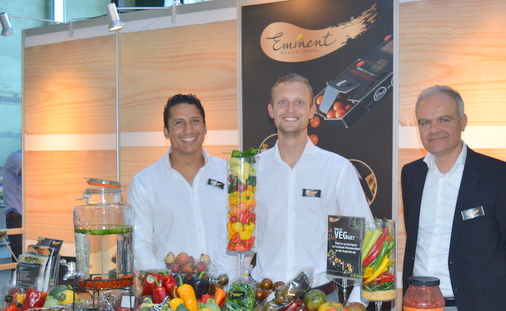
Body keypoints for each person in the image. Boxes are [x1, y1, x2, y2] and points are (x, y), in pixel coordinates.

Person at [401, 85, 506, 311]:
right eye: (425, 122)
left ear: (462, 122)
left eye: (444, 119)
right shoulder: (412, 174)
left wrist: (489, 294)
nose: (433, 129)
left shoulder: (499, 175)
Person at [253, 73, 373, 298]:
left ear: (311, 111)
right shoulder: (252, 170)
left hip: (321, 300)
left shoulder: (337, 168)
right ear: (271, 110)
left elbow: (366, 236)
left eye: (299, 102)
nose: (290, 109)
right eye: (283, 102)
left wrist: (358, 301)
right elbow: (237, 239)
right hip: (263, 299)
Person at [128, 94, 235, 277]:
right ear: (166, 131)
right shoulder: (144, 183)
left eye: (195, 121)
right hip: (172, 291)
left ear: (205, 128)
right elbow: (139, 246)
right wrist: (165, 284)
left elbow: (241, 235)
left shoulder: (229, 174)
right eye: (179, 122)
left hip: (226, 286)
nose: (188, 129)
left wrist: (228, 281)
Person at [3, 149, 23, 261]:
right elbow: (28, 172)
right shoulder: (16, 157)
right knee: (19, 256)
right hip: (17, 217)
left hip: (27, 217)